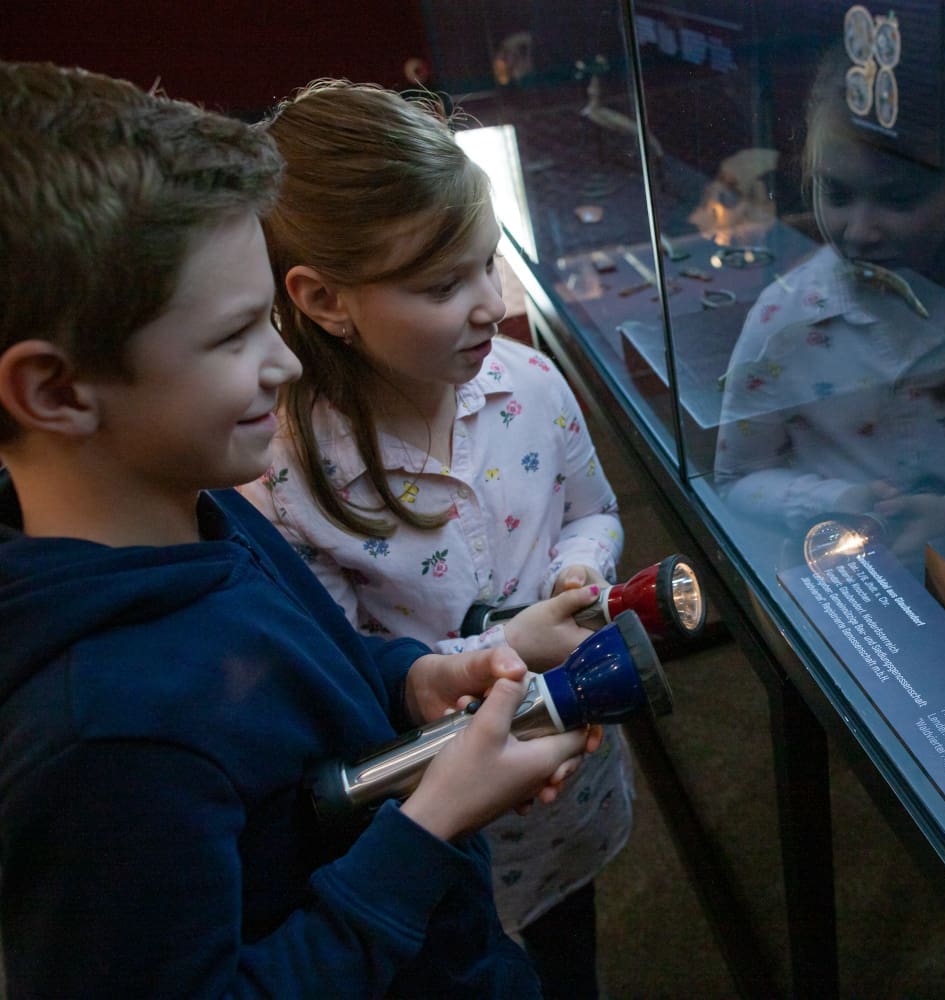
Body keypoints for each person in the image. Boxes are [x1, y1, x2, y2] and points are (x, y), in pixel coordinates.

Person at [0, 61, 597, 998]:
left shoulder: (204, 506)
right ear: (56, 391)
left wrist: (411, 680)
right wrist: (427, 830)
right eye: (236, 335)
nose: (283, 362)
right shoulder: (103, 741)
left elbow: (308, 671)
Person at [239, 80, 629, 998]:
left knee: (573, 939)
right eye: (443, 284)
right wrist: (503, 647)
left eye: (489, 264)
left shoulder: (531, 382)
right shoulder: (290, 473)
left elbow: (595, 510)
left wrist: (579, 569)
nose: (490, 302)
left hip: (572, 771)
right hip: (433, 813)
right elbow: (347, 676)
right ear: (325, 299)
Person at [714, 49, 945, 564]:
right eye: (836, 193)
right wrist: (837, 504)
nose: (860, 231)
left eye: (898, 200)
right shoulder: (780, 320)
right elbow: (736, 477)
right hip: (837, 583)